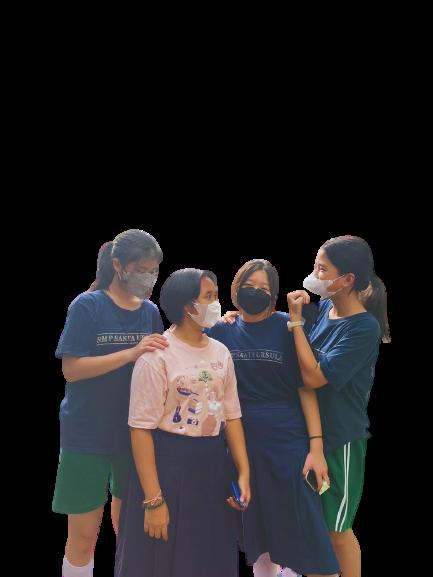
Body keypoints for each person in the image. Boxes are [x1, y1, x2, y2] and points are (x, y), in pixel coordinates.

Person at [114, 268, 251, 577]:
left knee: (209, 558)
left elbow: (232, 417)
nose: (216, 303)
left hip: (213, 468)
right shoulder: (157, 356)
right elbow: (140, 429)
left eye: (216, 295)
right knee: (163, 560)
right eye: (209, 296)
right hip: (168, 469)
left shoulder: (221, 352)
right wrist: (154, 501)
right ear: (188, 306)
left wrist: (243, 472)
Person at [210, 259, 340, 577]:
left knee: (302, 523)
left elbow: (306, 388)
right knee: (254, 525)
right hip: (239, 441)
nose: (255, 292)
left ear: (274, 294)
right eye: (249, 286)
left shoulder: (288, 326)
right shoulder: (220, 330)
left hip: (287, 441)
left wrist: (316, 447)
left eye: (263, 288)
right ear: (236, 289)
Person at [52, 229, 168, 577]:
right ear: (119, 266)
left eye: (154, 270)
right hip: (86, 433)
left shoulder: (150, 311)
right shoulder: (87, 305)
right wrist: (130, 353)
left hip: (134, 434)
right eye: (142, 269)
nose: (149, 277)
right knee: (83, 538)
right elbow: (72, 369)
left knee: (129, 532)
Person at [286, 235, 390, 577]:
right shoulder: (325, 310)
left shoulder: (363, 328)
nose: (315, 275)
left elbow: (313, 377)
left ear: (346, 280)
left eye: (322, 269)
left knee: (337, 528)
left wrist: (296, 322)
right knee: (314, 525)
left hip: (340, 439)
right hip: (309, 434)